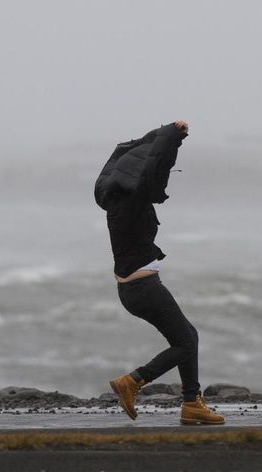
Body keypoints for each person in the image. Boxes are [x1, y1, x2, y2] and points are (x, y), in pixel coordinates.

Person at [95, 120, 224, 425]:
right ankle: (132, 381)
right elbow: (155, 169)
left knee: (187, 336)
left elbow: (127, 151)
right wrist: (174, 136)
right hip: (143, 289)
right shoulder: (133, 201)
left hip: (133, 289)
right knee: (186, 343)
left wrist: (162, 133)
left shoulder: (113, 200)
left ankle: (192, 403)